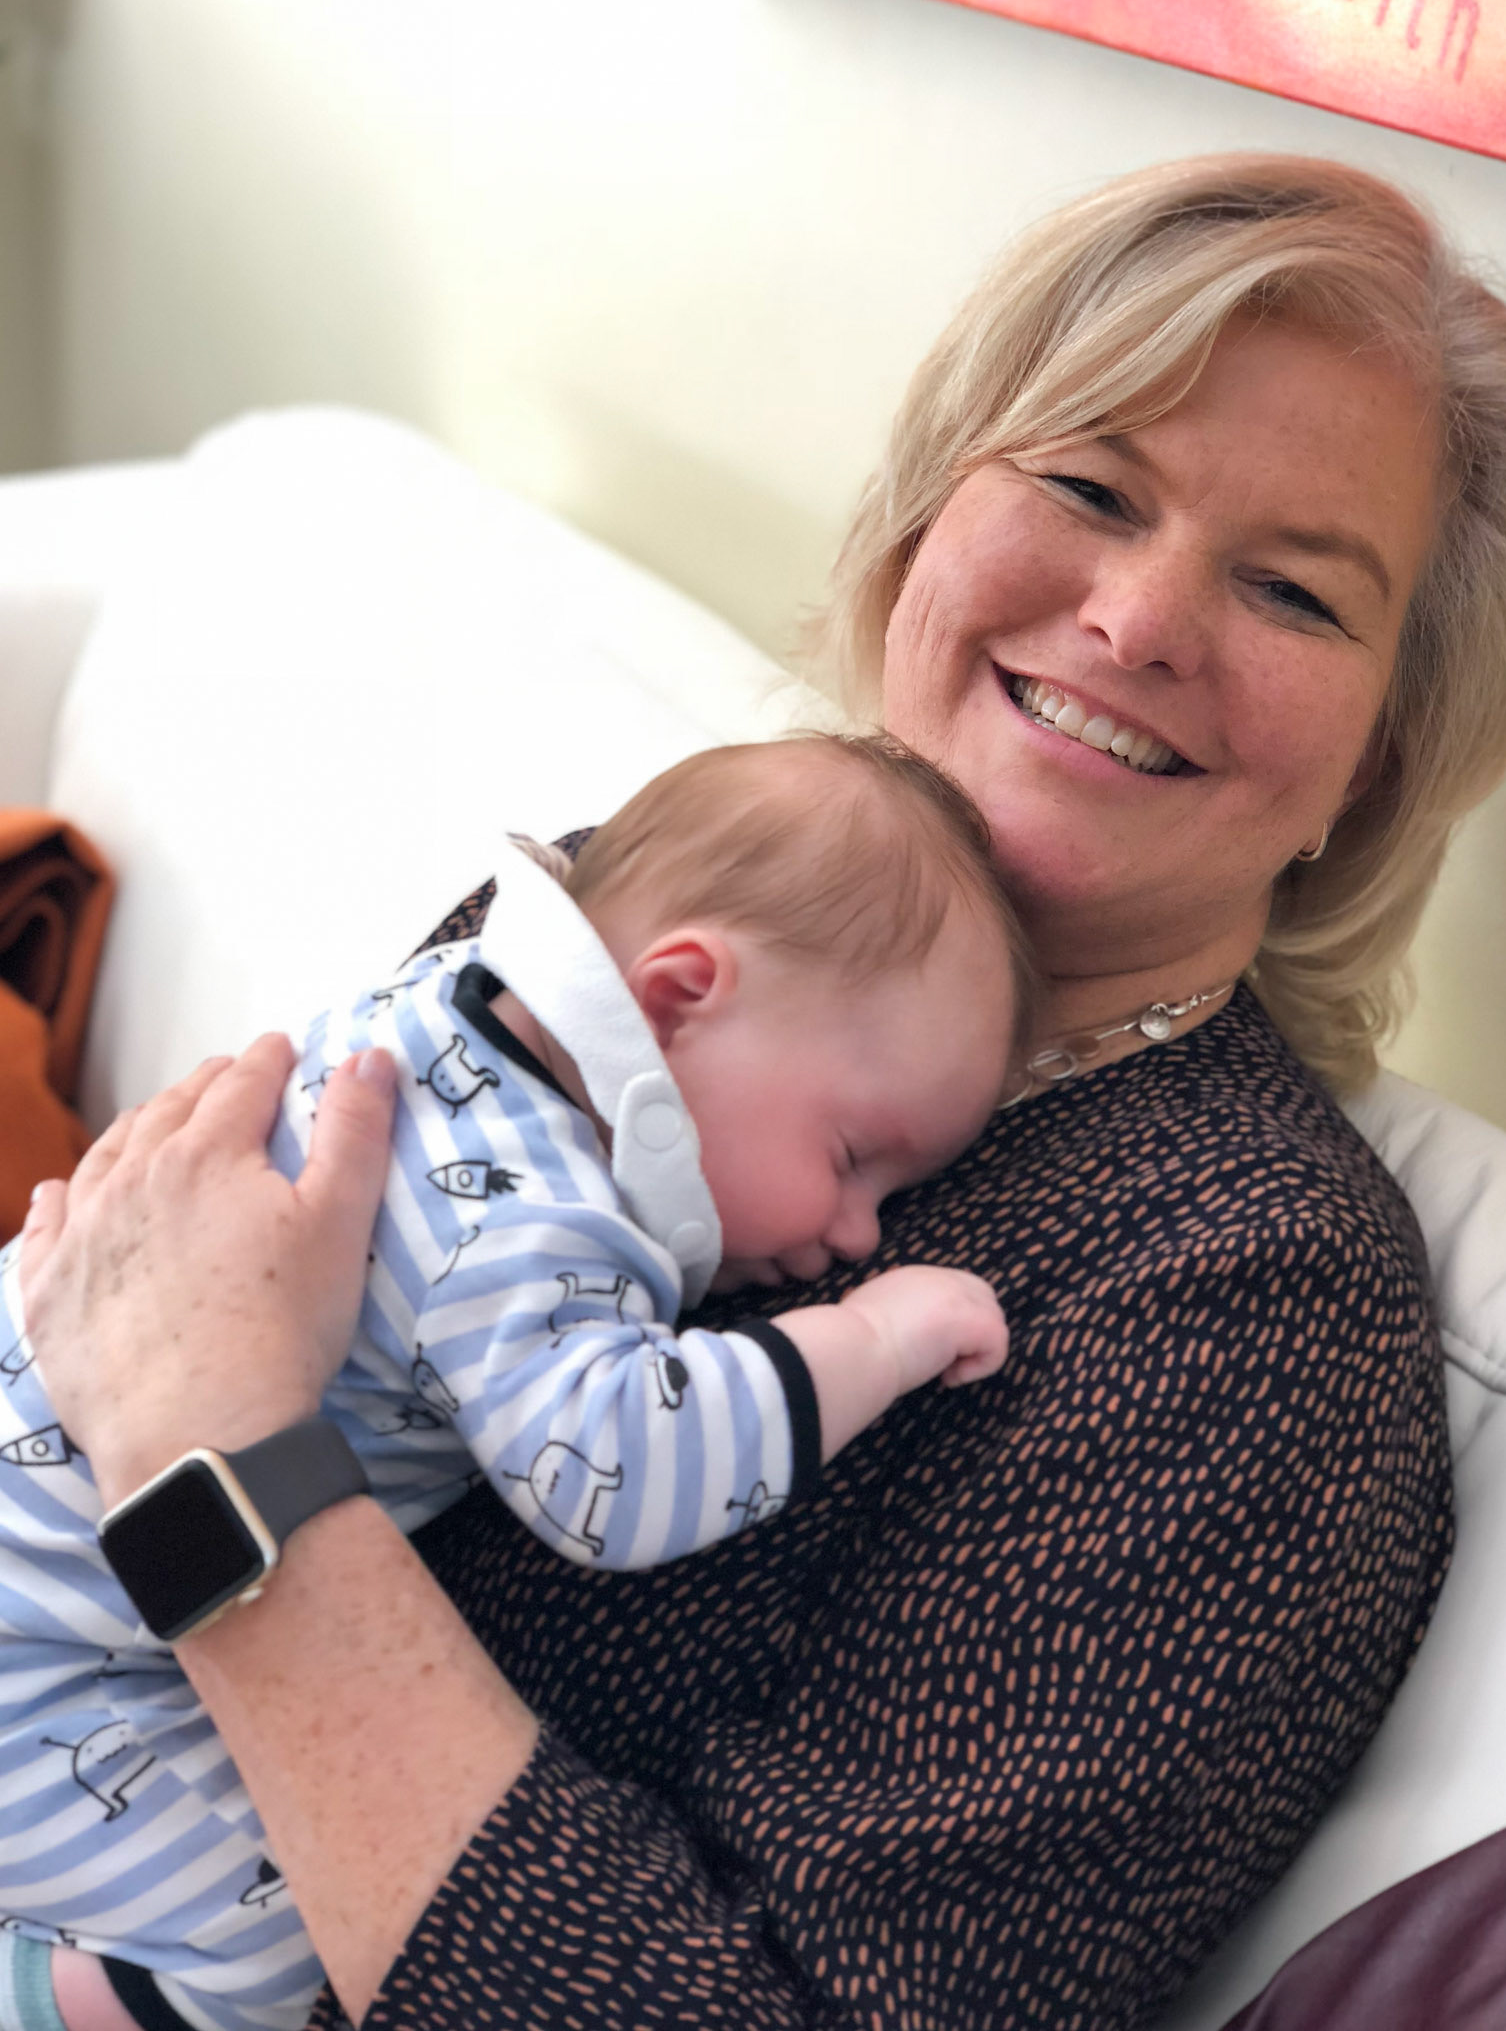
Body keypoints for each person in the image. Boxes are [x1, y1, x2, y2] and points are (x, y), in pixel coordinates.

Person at [16, 152, 1506, 2031]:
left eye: (1295, 592)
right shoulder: (650, 901)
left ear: (1376, 766)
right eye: (1086, 486)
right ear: (922, 531)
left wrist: (213, 1459)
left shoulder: (1245, 1309)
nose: (1140, 619)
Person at [0, 734, 1032, 2031]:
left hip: (62, 1557)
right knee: (275, 1949)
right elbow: (615, 1472)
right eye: (852, 1156)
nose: (860, 1232)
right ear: (677, 998)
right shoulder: (532, 1216)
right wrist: (876, 1336)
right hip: (43, 1655)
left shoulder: (453, 1004)